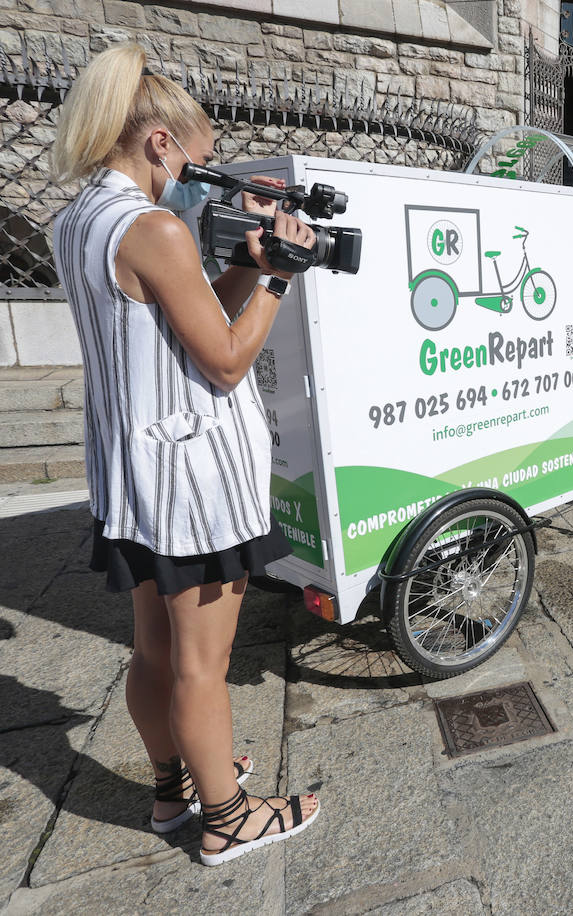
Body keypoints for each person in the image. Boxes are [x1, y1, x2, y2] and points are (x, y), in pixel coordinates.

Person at [50, 43, 320, 866]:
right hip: (193, 478)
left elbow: (180, 322)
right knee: (204, 663)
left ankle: (174, 791)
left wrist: (245, 267)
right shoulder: (153, 225)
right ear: (159, 142)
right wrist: (281, 280)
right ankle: (231, 817)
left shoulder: (80, 219)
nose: (206, 176)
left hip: (134, 476)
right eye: (200, 160)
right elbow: (228, 358)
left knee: (156, 650)